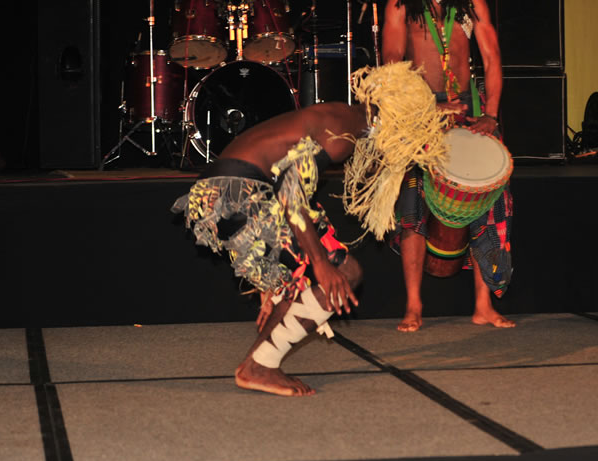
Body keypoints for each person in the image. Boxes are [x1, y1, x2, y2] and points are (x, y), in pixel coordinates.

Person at [173, 62, 449, 396]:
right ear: (393, 117)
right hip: (239, 190)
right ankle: (261, 365)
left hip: (236, 186)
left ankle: (256, 364)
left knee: (328, 272)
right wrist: (318, 263)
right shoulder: (340, 134)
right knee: (339, 273)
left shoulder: (349, 118)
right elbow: (292, 195)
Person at [380, 0, 514, 332]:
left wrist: (491, 115)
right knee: (413, 205)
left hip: (468, 107)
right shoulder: (400, 4)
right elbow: (392, 63)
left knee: (485, 198)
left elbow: (492, 57)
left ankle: (483, 305)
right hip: (419, 109)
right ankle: (413, 305)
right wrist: (431, 105)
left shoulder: (471, 2)